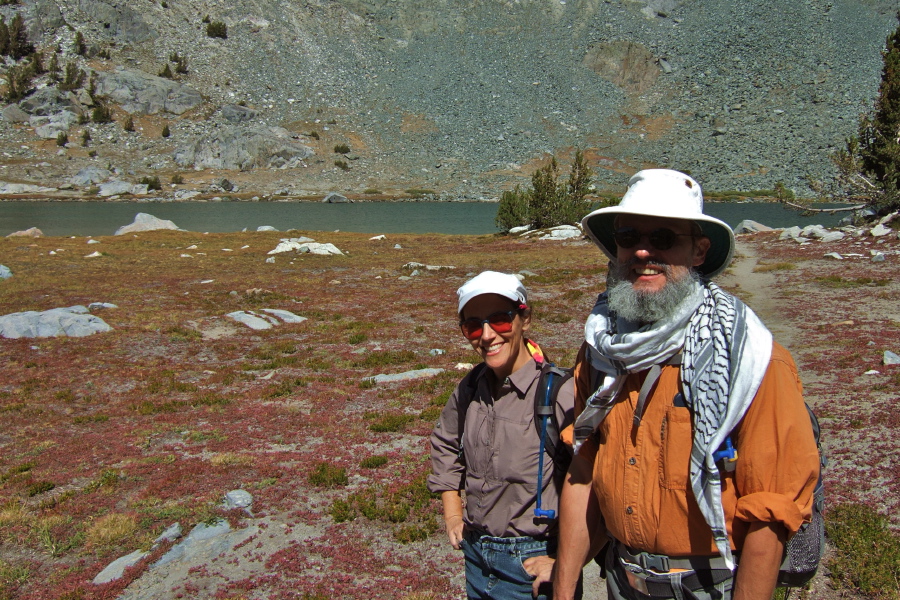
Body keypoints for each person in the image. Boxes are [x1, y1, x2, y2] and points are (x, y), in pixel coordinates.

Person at [551, 169, 820, 600]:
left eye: (663, 238)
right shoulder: (601, 352)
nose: (642, 251)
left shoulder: (749, 358)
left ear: (699, 251)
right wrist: (564, 592)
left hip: (714, 585)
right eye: (627, 235)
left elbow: (770, 513)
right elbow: (584, 470)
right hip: (623, 578)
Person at [428, 271, 581, 600]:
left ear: (524, 319)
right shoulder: (471, 387)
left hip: (532, 564)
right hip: (475, 558)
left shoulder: (558, 391)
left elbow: (597, 482)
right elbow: (444, 441)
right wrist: (453, 512)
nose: (485, 335)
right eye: (473, 325)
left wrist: (568, 562)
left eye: (499, 320)